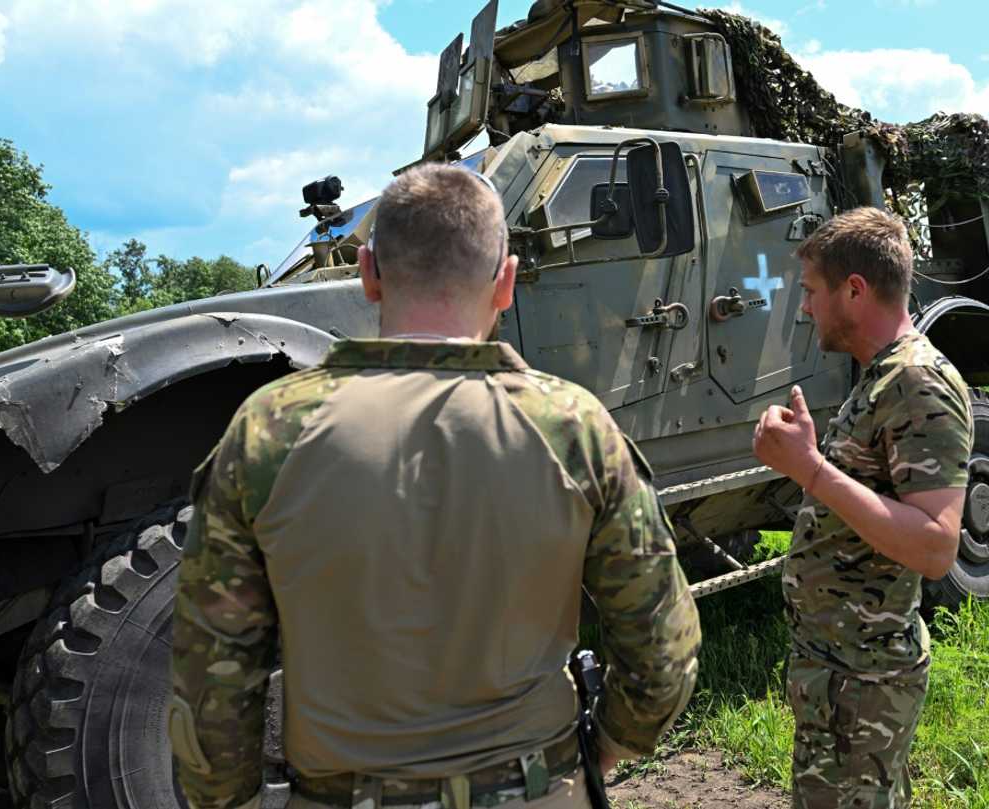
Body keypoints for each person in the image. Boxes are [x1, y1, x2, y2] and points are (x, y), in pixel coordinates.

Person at [169, 163, 701, 809]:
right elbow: (661, 649)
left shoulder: (268, 429)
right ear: (506, 282)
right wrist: (609, 744)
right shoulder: (573, 426)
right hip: (537, 789)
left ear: (367, 273)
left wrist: (228, 798)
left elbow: (210, 678)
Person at [752, 207, 973, 808]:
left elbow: (935, 545)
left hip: (863, 682)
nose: (805, 308)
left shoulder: (918, 382)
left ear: (854, 290)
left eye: (811, 292)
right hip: (841, 675)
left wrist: (810, 468)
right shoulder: (884, 377)